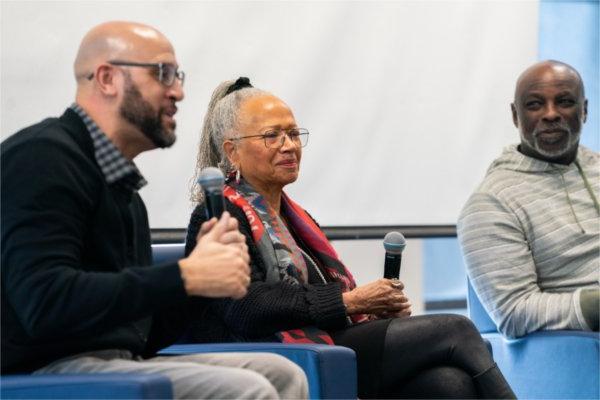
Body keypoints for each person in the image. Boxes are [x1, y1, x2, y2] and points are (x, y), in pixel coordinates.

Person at [0, 22, 309, 399]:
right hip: (42, 367)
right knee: (248, 389)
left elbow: (141, 334)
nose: (177, 91)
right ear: (107, 78)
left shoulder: (124, 189)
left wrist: (203, 284)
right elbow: (45, 302)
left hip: (118, 360)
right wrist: (185, 275)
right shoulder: (44, 158)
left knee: (282, 373)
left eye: (177, 76)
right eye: (163, 74)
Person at [185, 77, 516, 399]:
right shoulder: (218, 216)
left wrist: (372, 310)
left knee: (448, 384)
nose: (289, 146)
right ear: (233, 151)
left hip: (327, 343)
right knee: (456, 330)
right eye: (272, 136)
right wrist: (353, 302)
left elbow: (320, 298)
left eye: (293, 133)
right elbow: (247, 308)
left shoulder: (295, 218)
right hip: (268, 352)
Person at [458, 60, 599, 339]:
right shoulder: (491, 203)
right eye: (535, 104)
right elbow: (513, 312)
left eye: (565, 102)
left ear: (584, 110)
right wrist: (594, 305)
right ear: (515, 115)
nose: (550, 114)